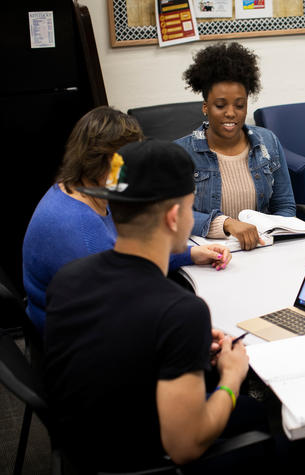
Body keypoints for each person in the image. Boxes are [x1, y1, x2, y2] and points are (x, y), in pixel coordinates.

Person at [44, 140, 265, 472]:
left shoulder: (68, 278)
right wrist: (232, 376)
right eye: (192, 208)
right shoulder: (180, 311)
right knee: (267, 423)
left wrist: (183, 348)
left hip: (83, 454)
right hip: (146, 464)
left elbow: (117, 346)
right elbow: (185, 447)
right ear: (175, 217)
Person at [22, 106, 231, 333]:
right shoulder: (77, 228)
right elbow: (125, 320)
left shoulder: (83, 189)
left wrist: (190, 253)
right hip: (80, 341)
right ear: (106, 159)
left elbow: (135, 249)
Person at [176, 42, 295, 250]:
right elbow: (172, 213)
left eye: (239, 105)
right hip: (207, 254)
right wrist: (227, 224)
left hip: (261, 249)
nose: (231, 113)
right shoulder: (180, 153)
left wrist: (271, 238)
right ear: (205, 107)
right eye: (220, 105)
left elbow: (285, 206)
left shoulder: (267, 142)